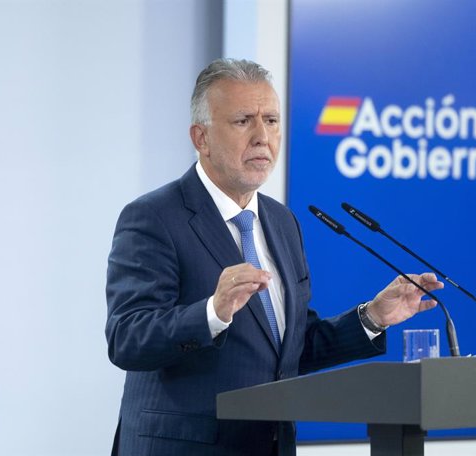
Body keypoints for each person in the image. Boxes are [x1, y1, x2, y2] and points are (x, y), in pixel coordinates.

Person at [105, 58, 443, 456]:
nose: (262, 136)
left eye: (271, 120)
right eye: (243, 120)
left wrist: (372, 317)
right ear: (201, 138)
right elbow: (127, 339)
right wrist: (213, 312)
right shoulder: (155, 217)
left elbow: (289, 349)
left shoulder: (281, 222)